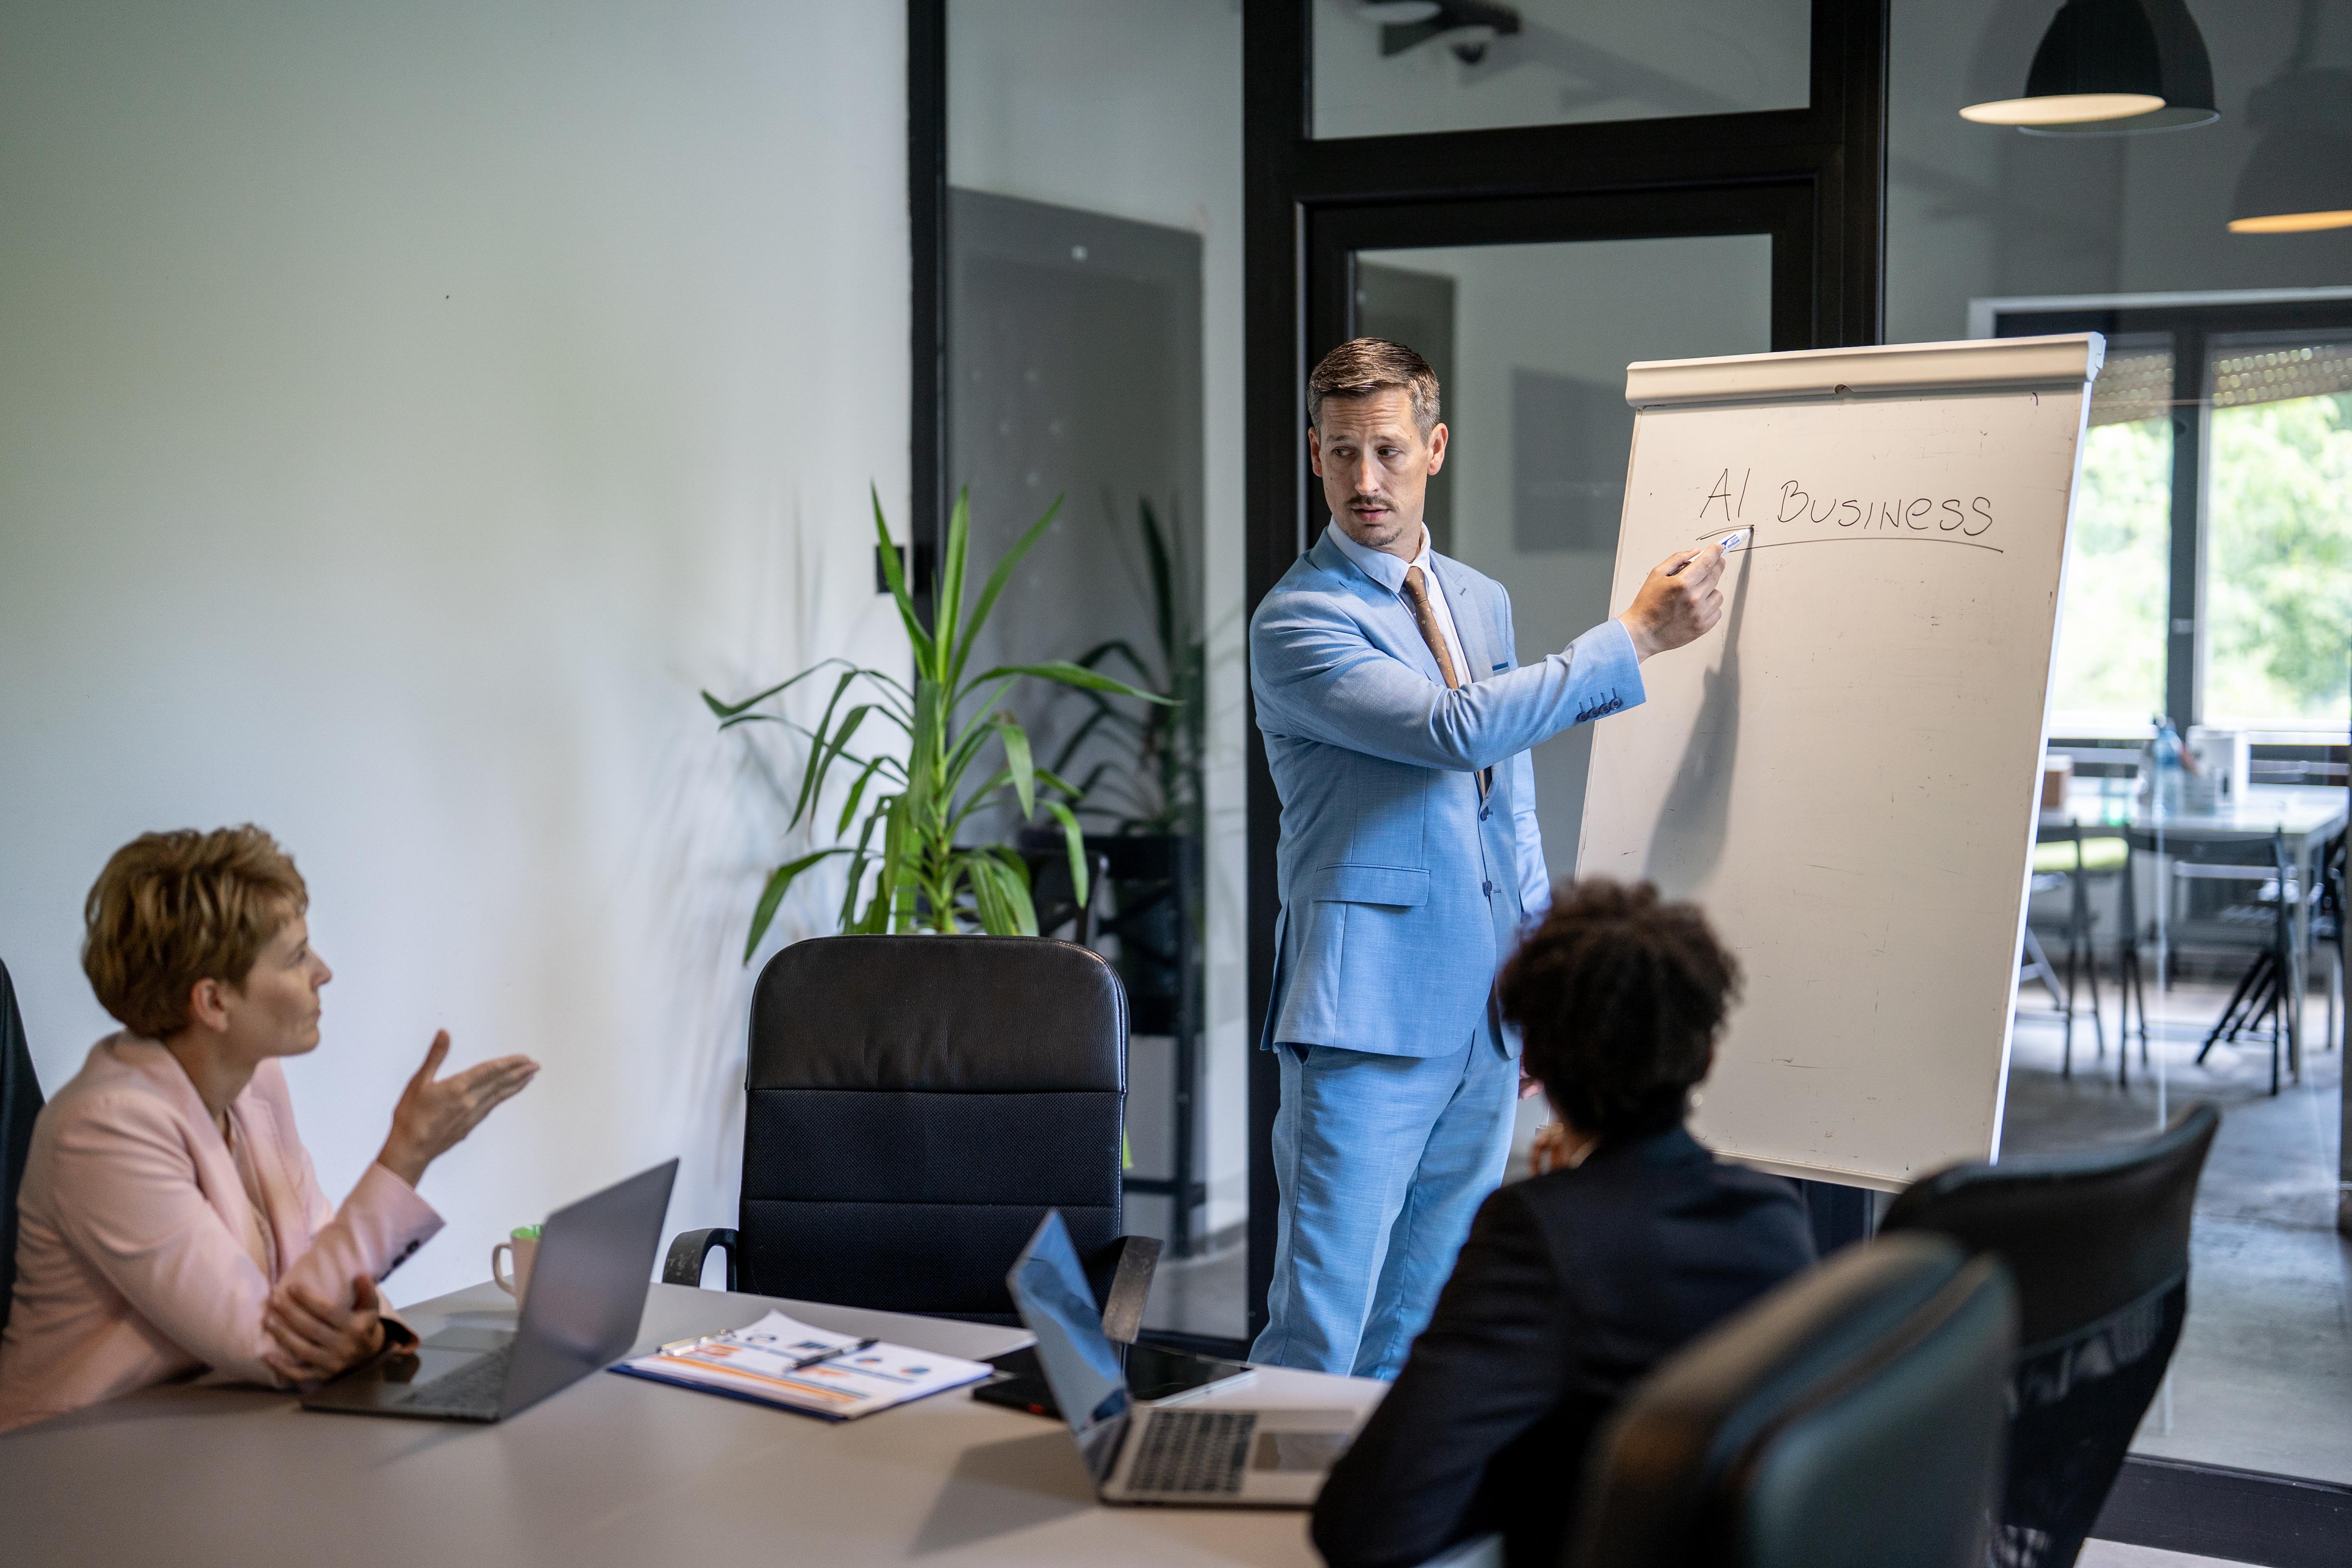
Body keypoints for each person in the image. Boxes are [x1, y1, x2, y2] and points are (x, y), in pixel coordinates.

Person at [1248, 337, 1730, 1377]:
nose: (1364, 480)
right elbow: (1455, 729)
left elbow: (1506, 806)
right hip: (1364, 1018)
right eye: (1339, 453)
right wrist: (1633, 639)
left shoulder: (1478, 600)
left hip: (1482, 1018)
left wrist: (1539, 992)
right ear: (1314, 454)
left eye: (1385, 450)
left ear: (1435, 448)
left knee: (1422, 1318)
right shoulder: (1297, 620)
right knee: (1320, 1324)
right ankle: (1258, 1529)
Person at [1310, 880, 1816, 1568]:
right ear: (1705, 1059)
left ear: (1539, 1065)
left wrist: (1558, 1213)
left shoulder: (1538, 1235)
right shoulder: (1773, 1218)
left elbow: (1368, 1526)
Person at [0, 826, 538, 1432]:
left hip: (212, 1426)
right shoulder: (103, 1129)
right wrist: (407, 1152)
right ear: (214, 1003)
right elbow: (274, 1345)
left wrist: (367, 1334)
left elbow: (320, 1262)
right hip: (65, 1460)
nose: (324, 972)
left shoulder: (255, 1082)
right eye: (296, 956)